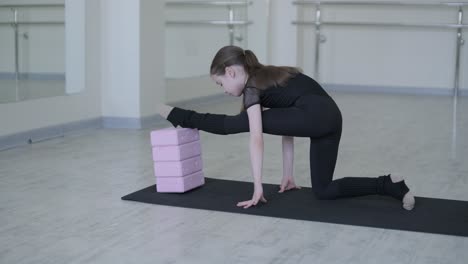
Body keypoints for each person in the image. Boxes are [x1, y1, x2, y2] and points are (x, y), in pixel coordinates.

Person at [156, 45, 415, 210]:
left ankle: (181, 115)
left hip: (316, 117)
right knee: (323, 191)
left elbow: (257, 138)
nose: (223, 90)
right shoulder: (270, 75)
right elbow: (289, 121)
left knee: (235, 124)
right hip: (331, 120)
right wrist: (288, 173)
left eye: (220, 83)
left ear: (231, 72)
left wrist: (258, 187)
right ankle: (389, 184)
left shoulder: (253, 87)